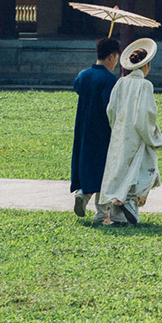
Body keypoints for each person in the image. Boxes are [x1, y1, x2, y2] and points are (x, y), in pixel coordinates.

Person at [99, 38, 162, 226]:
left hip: (120, 133)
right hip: (139, 135)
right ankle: (129, 202)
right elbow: (146, 114)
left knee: (121, 170)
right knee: (146, 171)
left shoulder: (121, 83)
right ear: (147, 65)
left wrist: (118, 128)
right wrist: (151, 136)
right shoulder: (145, 85)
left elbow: (111, 110)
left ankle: (119, 210)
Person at [70, 36, 121, 217]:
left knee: (86, 162)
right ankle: (101, 213)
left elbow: (77, 87)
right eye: (116, 57)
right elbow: (110, 107)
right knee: (104, 168)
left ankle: (82, 193)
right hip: (102, 130)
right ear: (111, 57)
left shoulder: (83, 75)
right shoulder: (109, 80)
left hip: (83, 127)